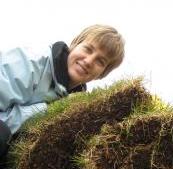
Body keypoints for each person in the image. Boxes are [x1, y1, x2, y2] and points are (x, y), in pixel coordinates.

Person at [0, 24, 125, 157]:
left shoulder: (77, 106)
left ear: (102, 74)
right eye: (88, 49)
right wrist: (51, 108)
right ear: (75, 45)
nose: (88, 61)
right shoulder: (29, 62)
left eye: (100, 61)